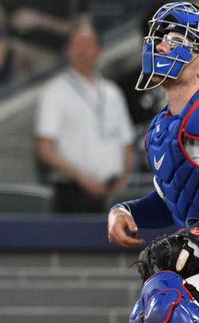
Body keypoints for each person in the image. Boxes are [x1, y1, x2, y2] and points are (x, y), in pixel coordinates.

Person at [106, 1, 199, 323]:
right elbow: (171, 200)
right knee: (148, 313)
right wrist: (127, 211)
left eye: (178, 38)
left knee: (162, 299)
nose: (163, 44)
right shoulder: (162, 128)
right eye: (161, 36)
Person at [34, 21, 135, 213]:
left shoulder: (112, 92)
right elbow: (45, 148)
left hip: (114, 190)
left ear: (99, 50)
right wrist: (83, 178)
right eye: (78, 45)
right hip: (73, 191)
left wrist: (124, 179)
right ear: (68, 50)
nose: (84, 51)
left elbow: (127, 143)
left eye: (89, 45)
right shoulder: (55, 91)